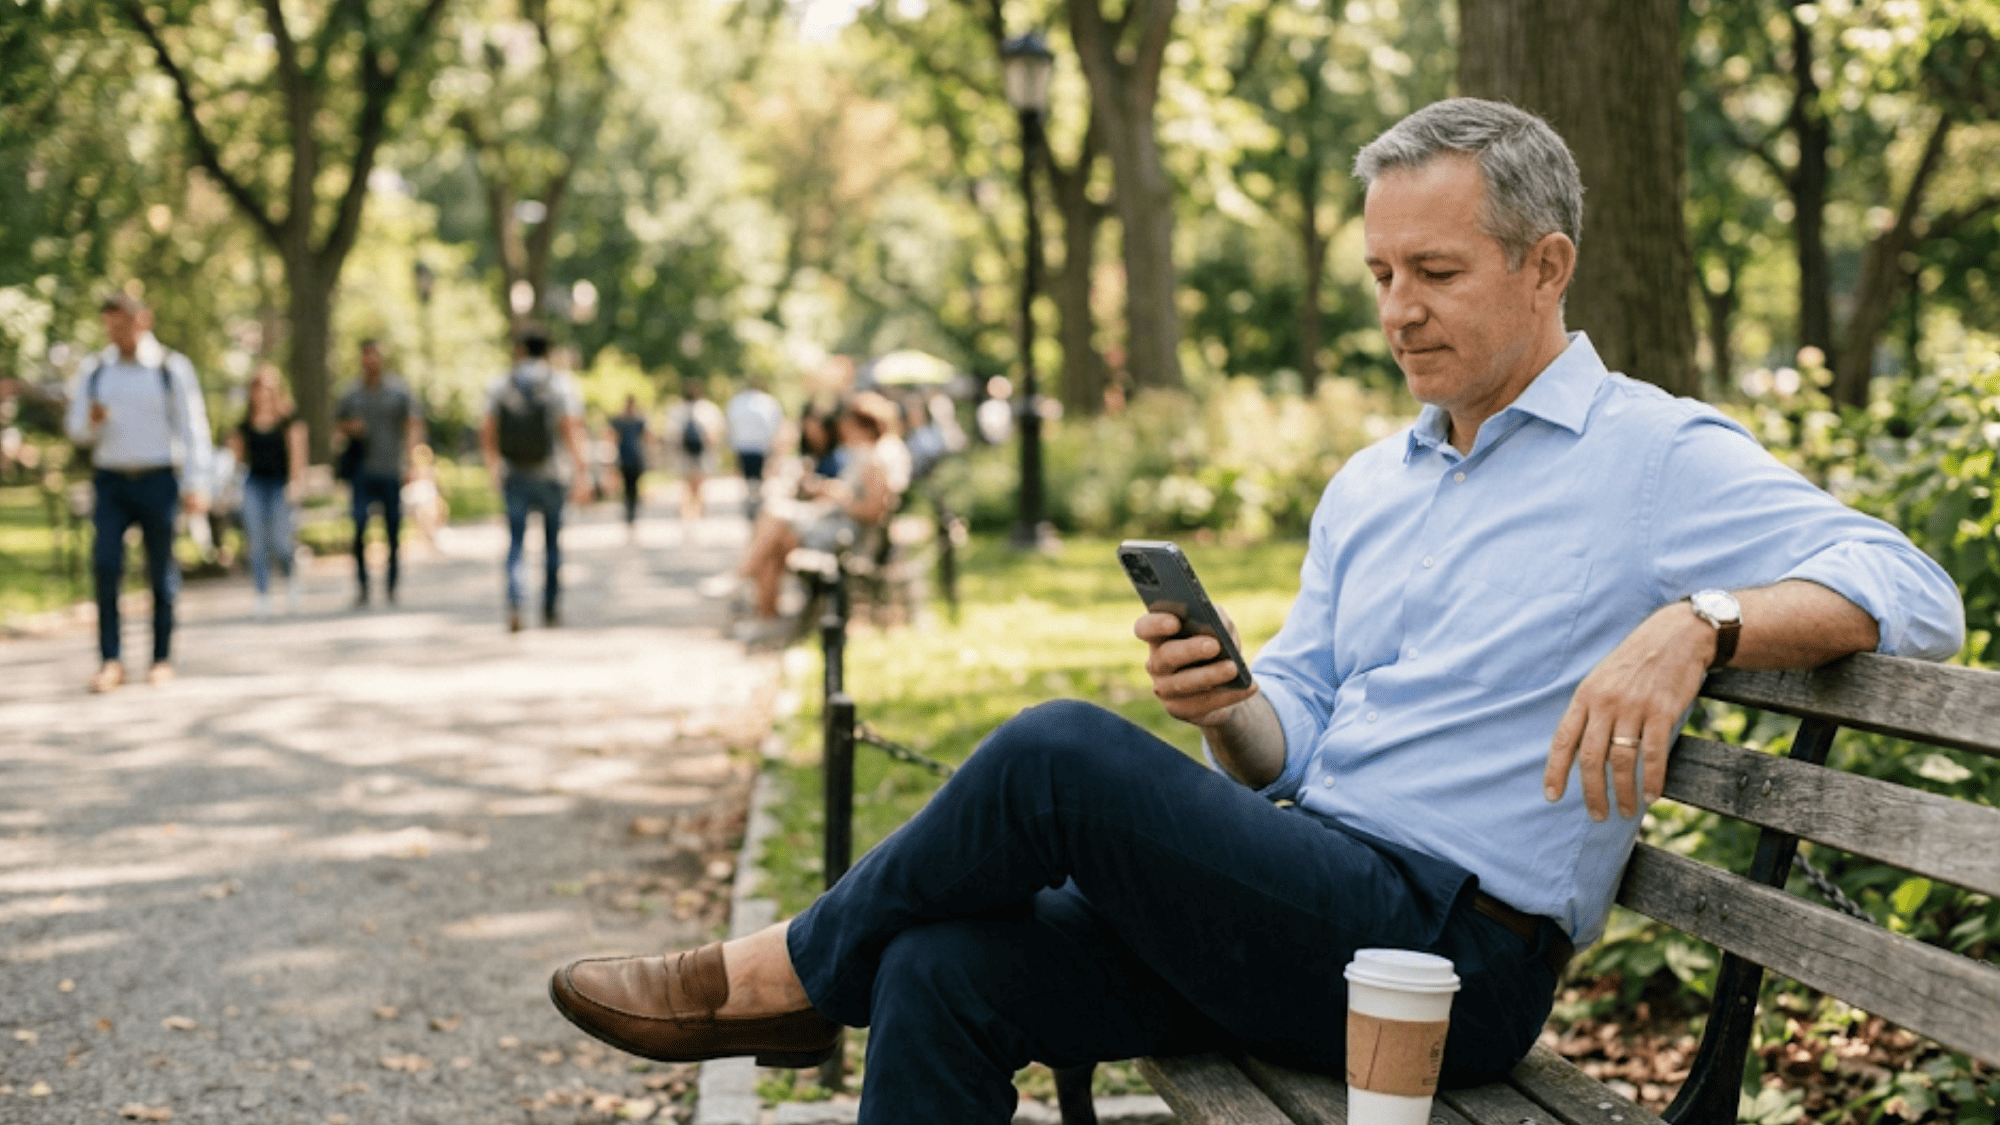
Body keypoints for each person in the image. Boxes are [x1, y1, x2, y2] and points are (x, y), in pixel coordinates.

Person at [548, 99, 1965, 1122]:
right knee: (935, 967)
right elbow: (1291, 747)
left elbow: (1917, 591)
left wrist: (1697, 622)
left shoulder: (1652, 457)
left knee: (1054, 752)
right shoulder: (1374, 479)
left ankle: (776, 976)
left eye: (1437, 274)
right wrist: (1230, 706)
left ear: (1548, 267)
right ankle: (830, 971)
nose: (1399, 310)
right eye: (1381, 276)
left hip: (1449, 960)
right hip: (1306, 901)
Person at [63, 292, 214, 693]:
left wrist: (198, 482)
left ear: (142, 320)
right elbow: (76, 428)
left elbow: (193, 427)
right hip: (110, 480)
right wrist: (90, 423)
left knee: (161, 571)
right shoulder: (95, 370)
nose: (116, 333)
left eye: (123, 324)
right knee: (106, 565)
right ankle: (111, 660)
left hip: (158, 478)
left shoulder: (170, 368)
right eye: (109, 326)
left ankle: (161, 658)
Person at [722, 392, 903, 636]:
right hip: (838, 526)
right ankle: (764, 615)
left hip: (847, 535)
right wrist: (834, 493)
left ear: (862, 425)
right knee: (774, 537)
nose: (841, 432)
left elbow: (873, 511)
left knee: (774, 518)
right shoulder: (871, 455)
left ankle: (742, 580)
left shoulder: (875, 460)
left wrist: (838, 499)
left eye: (847, 425)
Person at [481, 326, 591, 632]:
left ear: (520, 350)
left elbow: (488, 429)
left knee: (516, 543)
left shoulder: (501, 384)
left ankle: (515, 602)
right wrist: (581, 473)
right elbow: (571, 431)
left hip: (514, 472)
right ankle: (550, 609)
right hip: (553, 475)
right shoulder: (561, 385)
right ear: (549, 352)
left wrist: (493, 467)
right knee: (552, 544)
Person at [335, 339, 423, 607]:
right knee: (359, 526)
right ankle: (362, 586)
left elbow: (412, 425)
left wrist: (412, 462)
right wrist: (352, 428)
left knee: (393, 529)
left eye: (375, 356)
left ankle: (392, 585)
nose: (371, 362)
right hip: (361, 471)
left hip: (390, 470)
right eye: (366, 357)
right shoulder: (350, 394)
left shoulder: (398, 391)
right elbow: (337, 428)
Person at [226, 364, 307, 617]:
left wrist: (295, 485)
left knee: (281, 540)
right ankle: (262, 594)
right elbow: (236, 461)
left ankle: (291, 579)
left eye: (269, 388)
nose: (264, 394)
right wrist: (230, 488)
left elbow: (297, 457)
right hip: (254, 484)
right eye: (259, 388)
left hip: (280, 484)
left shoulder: (289, 422)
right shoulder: (244, 426)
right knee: (257, 541)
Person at [725, 377, 785, 518]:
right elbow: (776, 425)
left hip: (743, 446)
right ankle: (756, 502)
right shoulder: (768, 401)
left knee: (751, 478)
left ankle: (754, 501)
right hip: (761, 446)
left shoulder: (736, 401)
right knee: (758, 478)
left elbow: (730, 424)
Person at [666, 382, 724, 523]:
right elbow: (715, 432)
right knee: (700, 480)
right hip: (702, 452)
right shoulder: (708, 409)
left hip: (683, 452)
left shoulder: (676, 410)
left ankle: (689, 510)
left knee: (687, 481)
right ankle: (697, 508)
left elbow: (671, 433)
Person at [607, 395, 649, 532]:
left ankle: (630, 513)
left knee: (631, 487)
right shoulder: (626, 420)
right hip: (628, 458)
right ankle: (630, 513)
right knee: (629, 487)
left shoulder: (634, 420)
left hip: (631, 458)